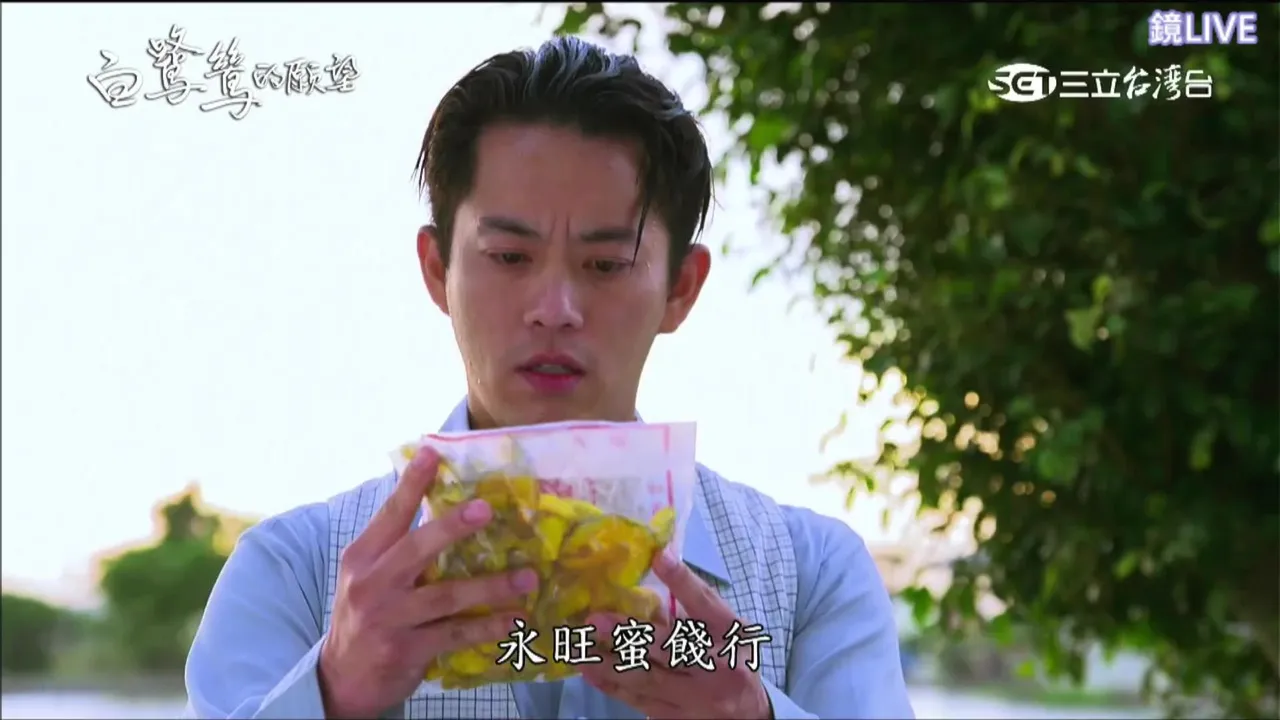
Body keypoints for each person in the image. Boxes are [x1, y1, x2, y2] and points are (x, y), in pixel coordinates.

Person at [184, 36, 914, 720]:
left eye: (605, 265)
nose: (555, 309)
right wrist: (333, 691)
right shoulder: (294, 573)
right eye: (509, 257)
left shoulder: (812, 574)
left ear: (680, 289)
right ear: (437, 270)